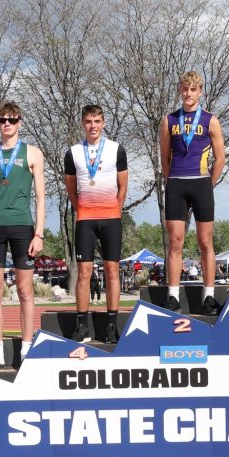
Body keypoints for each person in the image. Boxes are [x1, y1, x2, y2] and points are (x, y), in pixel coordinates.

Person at [0, 102, 46, 370]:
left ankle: (26, 350)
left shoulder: (33, 153)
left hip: (21, 226)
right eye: (3, 119)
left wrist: (38, 233)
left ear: (20, 122)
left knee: (25, 291)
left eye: (12, 120)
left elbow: (40, 196)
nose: (7, 124)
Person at [159, 72, 226, 314]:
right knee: (175, 241)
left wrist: (209, 183)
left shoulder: (211, 120)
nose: (189, 93)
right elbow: (164, 156)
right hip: (177, 183)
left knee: (205, 242)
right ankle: (173, 297)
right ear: (180, 90)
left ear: (200, 91)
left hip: (201, 184)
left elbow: (220, 158)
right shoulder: (168, 120)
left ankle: (208, 297)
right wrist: (171, 180)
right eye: (185, 89)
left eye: (193, 89)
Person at [64, 104, 128, 342]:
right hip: (85, 219)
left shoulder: (116, 149)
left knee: (112, 271)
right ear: (83, 123)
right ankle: (82, 327)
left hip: (111, 217)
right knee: (84, 273)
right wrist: (82, 210)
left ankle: (111, 326)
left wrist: (115, 210)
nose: (93, 126)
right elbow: (71, 188)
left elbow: (123, 186)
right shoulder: (73, 152)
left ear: (104, 123)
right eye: (89, 122)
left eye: (97, 121)